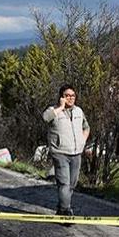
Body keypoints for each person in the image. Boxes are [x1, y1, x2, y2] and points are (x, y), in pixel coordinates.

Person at [43, 84, 90, 217]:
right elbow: (45, 118)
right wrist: (61, 107)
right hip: (60, 152)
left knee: (72, 183)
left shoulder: (79, 111)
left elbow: (86, 127)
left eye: (73, 95)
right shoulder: (54, 110)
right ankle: (66, 210)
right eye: (67, 95)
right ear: (61, 97)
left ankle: (61, 207)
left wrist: (83, 141)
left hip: (76, 153)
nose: (70, 98)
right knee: (64, 182)